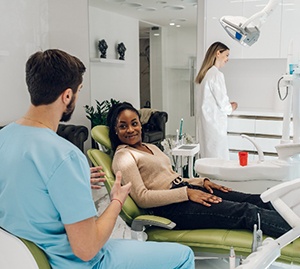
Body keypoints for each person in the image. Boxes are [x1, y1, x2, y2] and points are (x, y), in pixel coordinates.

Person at [0, 49, 195, 269]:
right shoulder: (65, 155)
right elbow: (87, 248)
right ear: (66, 96)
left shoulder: (4, 137)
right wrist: (116, 201)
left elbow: (25, 187)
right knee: (184, 256)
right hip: (75, 263)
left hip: (23, 259)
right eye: (78, 91)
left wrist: (73, 179)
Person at [109, 101, 291, 239]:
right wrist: (186, 193)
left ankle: (294, 219)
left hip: (185, 191)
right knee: (244, 211)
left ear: (141, 124)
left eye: (134, 123)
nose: (131, 130)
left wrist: (201, 182)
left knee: (255, 199)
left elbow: (173, 177)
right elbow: (142, 197)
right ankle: (294, 231)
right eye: (123, 126)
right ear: (115, 131)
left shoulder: (151, 147)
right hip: (169, 207)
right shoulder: (124, 156)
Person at [195, 41, 238, 160]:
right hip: (215, 129)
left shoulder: (206, 75)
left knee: (209, 163)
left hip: (207, 128)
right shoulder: (216, 75)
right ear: (218, 53)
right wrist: (233, 106)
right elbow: (225, 106)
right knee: (219, 164)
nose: (228, 59)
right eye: (227, 55)